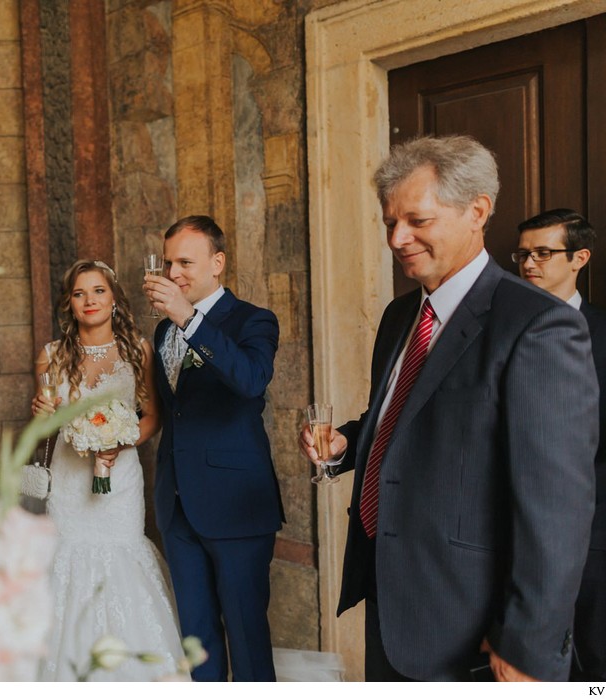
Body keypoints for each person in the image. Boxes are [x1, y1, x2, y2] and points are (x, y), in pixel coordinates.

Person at [299, 136, 597, 681]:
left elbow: (558, 505)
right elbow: (410, 420)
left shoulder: (537, 323)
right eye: (390, 222)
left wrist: (526, 641)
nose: (397, 238)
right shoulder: (397, 318)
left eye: (417, 220)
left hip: (474, 627)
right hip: (390, 597)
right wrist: (347, 442)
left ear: (477, 211)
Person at [143, 215, 283, 681]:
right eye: (168, 263)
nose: (173, 273)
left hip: (236, 506)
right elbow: (171, 412)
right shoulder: (162, 333)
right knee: (197, 640)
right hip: (177, 504)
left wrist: (186, 316)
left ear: (217, 262)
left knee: (245, 635)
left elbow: (249, 380)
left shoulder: (254, 320)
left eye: (185, 261)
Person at [32, 260, 185, 681]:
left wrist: (120, 442)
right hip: (68, 482)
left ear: (114, 297)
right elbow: (46, 426)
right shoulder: (51, 355)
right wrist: (41, 413)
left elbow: (152, 416)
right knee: (68, 562)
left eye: (98, 291)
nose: (90, 301)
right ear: (70, 303)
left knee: (122, 561)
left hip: (120, 482)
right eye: (80, 293)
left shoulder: (138, 349)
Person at [514, 208, 606, 681]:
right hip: (510, 542)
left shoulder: (604, 336)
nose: (529, 263)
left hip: (594, 543)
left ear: (579, 258)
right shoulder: (498, 330)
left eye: (543, 253)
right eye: (524, 253)